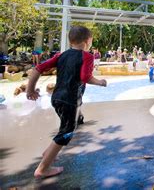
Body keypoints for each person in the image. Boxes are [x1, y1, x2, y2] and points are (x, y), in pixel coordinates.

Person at [26, 26, 107, 179]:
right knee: (66, 133)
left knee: (65, 128)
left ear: (71, 41)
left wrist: (30, 90)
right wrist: (100, 82)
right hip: (69, 100)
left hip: (56, 98)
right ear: (87, 41)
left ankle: (47, 153)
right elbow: (85, 78)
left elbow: (38, 68)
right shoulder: (87, 56)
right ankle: (42, 169)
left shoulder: (60, 55)